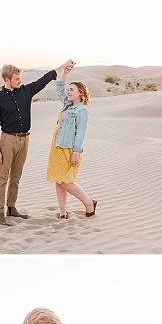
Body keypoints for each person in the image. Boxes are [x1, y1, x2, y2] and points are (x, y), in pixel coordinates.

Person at [0, 60, 75, 226]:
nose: (20, 81)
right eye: (16, 79)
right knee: (2, 177)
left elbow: (45, 79)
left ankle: (11, 208)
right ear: (7, 80)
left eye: (20, 78)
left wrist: (63, 67)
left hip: (25, 139)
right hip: (7, 140)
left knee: (16, 176)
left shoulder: (26, 92)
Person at [46, 64, 97, 219]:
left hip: (70, 150)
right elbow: (60, 87)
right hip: (57, 148)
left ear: (80, 93)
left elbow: (81, 133)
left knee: (65, 181)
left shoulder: (82, 111)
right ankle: (63, 212)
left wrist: (76, 152)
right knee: (58, 180)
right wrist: (65, 73)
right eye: (69, 89)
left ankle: (88, 203)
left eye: (72, 90)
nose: (68, 91)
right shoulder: (67, 106)